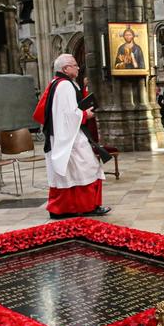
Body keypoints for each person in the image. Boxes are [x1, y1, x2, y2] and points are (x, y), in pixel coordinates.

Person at [44, 54, 110, 218]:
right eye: (74, 65)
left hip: (65, 135)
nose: (78, 68)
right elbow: (68, 115)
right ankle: (86, 207)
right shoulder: (65, 85)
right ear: (65, 69)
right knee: (88, 167)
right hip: (70, 137)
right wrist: (85, 114)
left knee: (72, 173)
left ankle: (67, 208)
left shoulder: (56, 83)